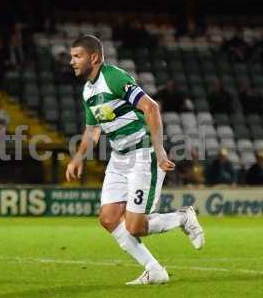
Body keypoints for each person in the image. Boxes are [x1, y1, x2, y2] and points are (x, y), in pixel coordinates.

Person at [66, 35, 204, 285]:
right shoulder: (88, 91)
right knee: (108, 218)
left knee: (135, 226)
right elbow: (92, 130)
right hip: (119, 159)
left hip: (143, 155)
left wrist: (159, 150)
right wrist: (78, 159)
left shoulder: (114, 78)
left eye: (77, 56)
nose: (72, 62)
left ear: (94, 57)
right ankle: (154, 270)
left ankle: (183, 217)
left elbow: (151, 108)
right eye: (72, 57)